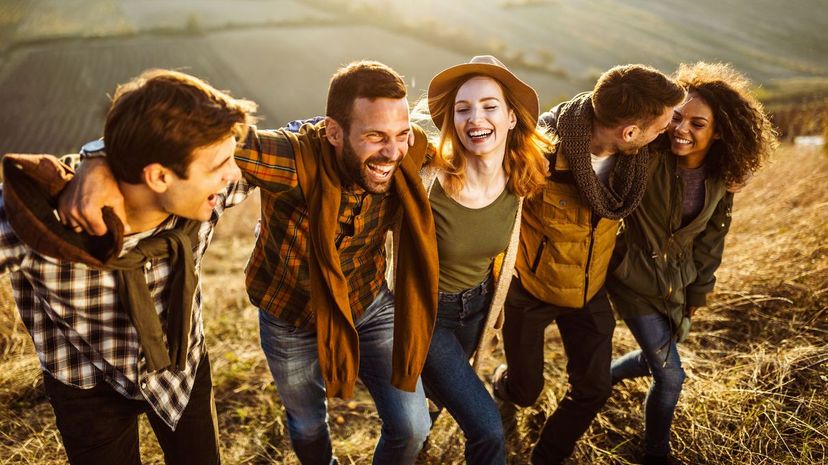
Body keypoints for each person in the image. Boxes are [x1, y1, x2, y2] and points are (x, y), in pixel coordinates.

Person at [58, 61, 439, 465]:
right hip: (288, 316)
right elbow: (190, 135)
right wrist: (96, 157)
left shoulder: (408, 148)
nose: (393, 150)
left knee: (413, 425)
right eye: (375, 136)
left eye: (400, 134)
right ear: (332, 132)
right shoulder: (292, 160)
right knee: (308, 426)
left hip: (369, 305)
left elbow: (466, 136)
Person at [0, 69, 257, 464]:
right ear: (158, 176)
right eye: (220, 164)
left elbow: (306, 139)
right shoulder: (39, 221)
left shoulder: (211, 190)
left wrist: (97, 155)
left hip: (181, 368)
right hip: (84, 382)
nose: (234, 175)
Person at [491, 64, 686, 465]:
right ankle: (501, 386)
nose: (669, 131)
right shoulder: (538, 150)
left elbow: (704, 140)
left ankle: (546, 457)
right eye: (662, 125)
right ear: (630, 132)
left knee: (594, 389)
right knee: (526, 393)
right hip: (530, 289)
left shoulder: (643, 154)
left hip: (590, 290)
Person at [608, 62, 777, 465]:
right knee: (670, 375)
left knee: (663, 353)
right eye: (678, 117)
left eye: (698, 124)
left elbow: (711, 240)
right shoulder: (645, 156)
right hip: (631, 278)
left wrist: (697, 293)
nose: (683, 129)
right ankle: (656, 454)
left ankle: (606, 376)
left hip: (676, 283)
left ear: (718, 132)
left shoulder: (722, 177)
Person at [399, 55, 551, 465]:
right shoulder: (427, 176)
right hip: (427, 315)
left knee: (433, 399)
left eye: (489, 106)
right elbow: (372, 140)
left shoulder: (520, 178)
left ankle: (412, 448)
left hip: (478, 308)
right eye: (463, 109)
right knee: (486, 428)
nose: (475, 118)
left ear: (511, 119)